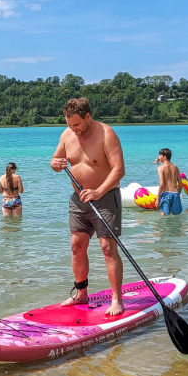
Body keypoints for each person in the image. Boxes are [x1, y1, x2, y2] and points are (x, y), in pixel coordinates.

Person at [50, 98, 126, 316]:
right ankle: (81, 293)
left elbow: (119, 170)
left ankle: (117, 300)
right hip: (78, 199)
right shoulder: (67, 135)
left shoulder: (106, 134)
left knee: (107, 248)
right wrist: (54, 163)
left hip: (104, 197)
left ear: (88, 117)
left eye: (77, 125)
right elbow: (56, 160)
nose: (73, 129)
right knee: (76, 246)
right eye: (69, 125)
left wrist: (98, 191)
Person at [154, 148, 183, 216]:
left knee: (163, 217)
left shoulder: (161, 168)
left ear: (164, 157)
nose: (158, 157)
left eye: (160, 155)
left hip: (166, 194)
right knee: (175, 218)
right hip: (176, 194)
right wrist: (177, 195)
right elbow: (180, 185)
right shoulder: (175, 168)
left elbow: (162, 184)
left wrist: (158, 199)